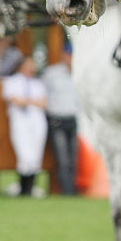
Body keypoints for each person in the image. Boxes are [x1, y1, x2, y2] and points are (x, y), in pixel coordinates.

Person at [1, 55, 48, 196]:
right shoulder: (11, 81)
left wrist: (26, 100)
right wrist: (32, 101)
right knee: (24, 154)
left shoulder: (37, 83)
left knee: (35, 154)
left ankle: (31, 187)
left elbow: (43, 103)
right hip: (20, 121)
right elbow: (15, 100)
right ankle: (23, 188)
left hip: (37, 121)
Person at [42, 42, 79, 194]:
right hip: (57, 119)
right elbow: (43, 94)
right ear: (63, 55)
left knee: (73, 158)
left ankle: (73, 189)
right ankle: (67, 192)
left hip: (74, 120)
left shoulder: (79, 72)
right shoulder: (52, 73)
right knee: (63, 159)